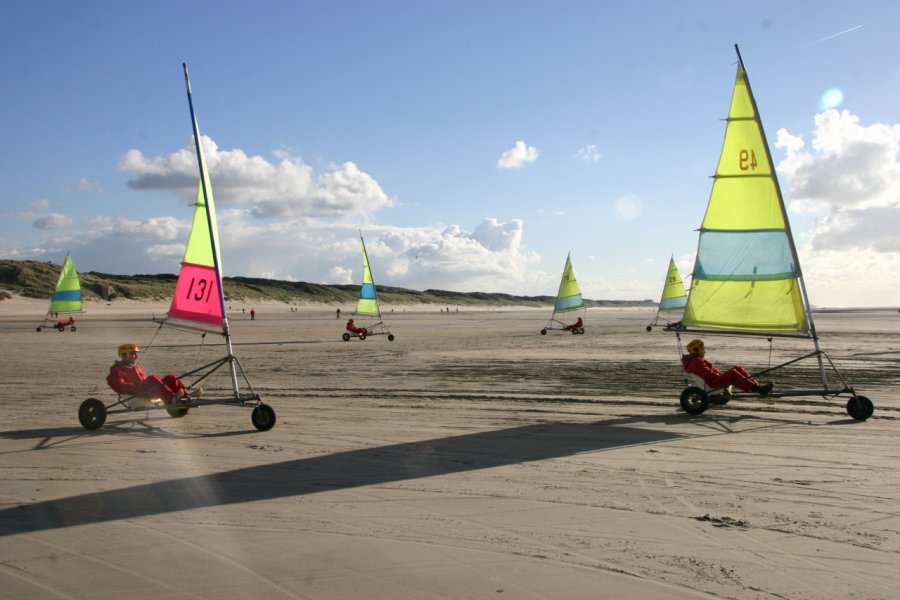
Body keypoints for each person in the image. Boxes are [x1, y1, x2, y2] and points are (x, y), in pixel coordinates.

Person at [106, 343, 200, 405]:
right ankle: (171, 400)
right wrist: (136, 385)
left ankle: (186, 395)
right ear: (125, 355)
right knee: (152, 378)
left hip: (147, 389)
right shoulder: (117, 370)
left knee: (170, 377)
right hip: (138, 393)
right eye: (133, 354)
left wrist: (145, 383)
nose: (136, 356)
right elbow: (119, 386)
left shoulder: (136, 367)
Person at [682, 339, 773, 395]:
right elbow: (709, 374)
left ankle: (755, 385)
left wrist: (722, 375)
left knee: (737, 368)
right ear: (696, 350)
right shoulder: (696, 362)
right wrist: (724, 376)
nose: (704, 351)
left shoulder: (696, 360)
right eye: (702, 349)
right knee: (732, 373)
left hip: (713, 381)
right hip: (712, 385)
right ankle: (756, 388)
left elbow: (711, 371)